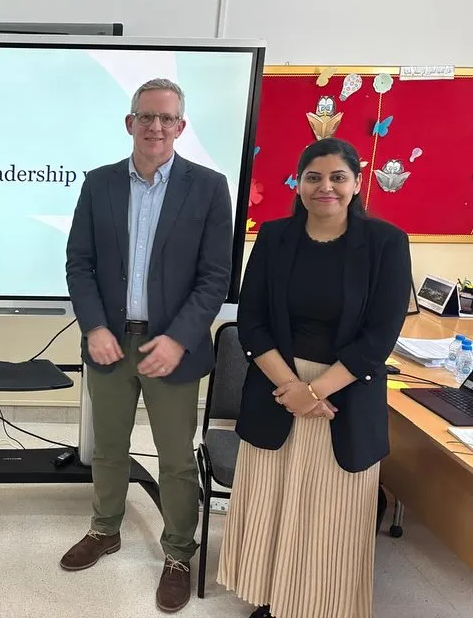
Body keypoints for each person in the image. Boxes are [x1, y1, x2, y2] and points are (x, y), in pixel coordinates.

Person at [217, 138, 413, 618]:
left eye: (338, 177)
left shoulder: (386, 243)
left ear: (357, 183)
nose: (326, 187)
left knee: (330, 512)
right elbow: (253, 320)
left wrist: (314, 393)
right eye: (314, 177)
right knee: (272, 502)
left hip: (345, 394)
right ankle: (270, 597)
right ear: (299, 184)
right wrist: (293, 389)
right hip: (277, 389)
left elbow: (380, 335)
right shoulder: (274, 237)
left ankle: (322, 604)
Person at [64, 78, 233, 612]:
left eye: (166, 118)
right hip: (110, 343)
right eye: (145, 116)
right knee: (108, 448)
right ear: (129, 122)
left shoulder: (209, 187)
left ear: (180, 126)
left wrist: (180, 340)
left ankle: (179, 553)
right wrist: (94, 327)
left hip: (171, 348)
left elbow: (215, 277)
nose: (155, 127)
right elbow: (79, 264)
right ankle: (105, 528)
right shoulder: (99, 184)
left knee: (176, 458)